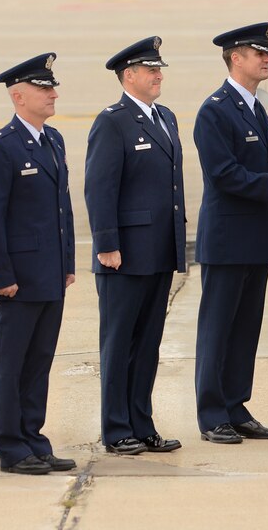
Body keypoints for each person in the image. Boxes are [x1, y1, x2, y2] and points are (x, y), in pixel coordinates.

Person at [194, 22, 268, 444]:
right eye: (257, 53)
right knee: (218, 329)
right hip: (226, 240)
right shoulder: (215, 110)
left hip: (256, 236)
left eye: (267, 52)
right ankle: (212, 414)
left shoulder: (256, 107)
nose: (266, 58)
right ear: (234, 58)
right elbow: (225, 175)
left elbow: (258, 173)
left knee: (245, 329)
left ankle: (236, 406)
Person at [0, 53, 77, 475]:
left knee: (39, 362)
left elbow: (62, 209)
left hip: (50, 275)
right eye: (43, 88)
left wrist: (67, 263)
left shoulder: (53, 140)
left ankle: (34, 438)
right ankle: (12, 447)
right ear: (19, 96)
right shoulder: (1, 147)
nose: (53, 93)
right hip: (18, 279)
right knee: (11, 365)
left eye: (52, 87)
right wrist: (2, 276)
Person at [85, 37, 185, 455]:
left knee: (147, 345)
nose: (158, 75)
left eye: (159, 69)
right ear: (129, 76)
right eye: (150, 70)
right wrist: (107, 243)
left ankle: (142, 424)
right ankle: (116, 428)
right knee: (119, 343)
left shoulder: (166, 117)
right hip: (123, 254)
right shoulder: (113, 121)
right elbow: (99, 187)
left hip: (158, 251)